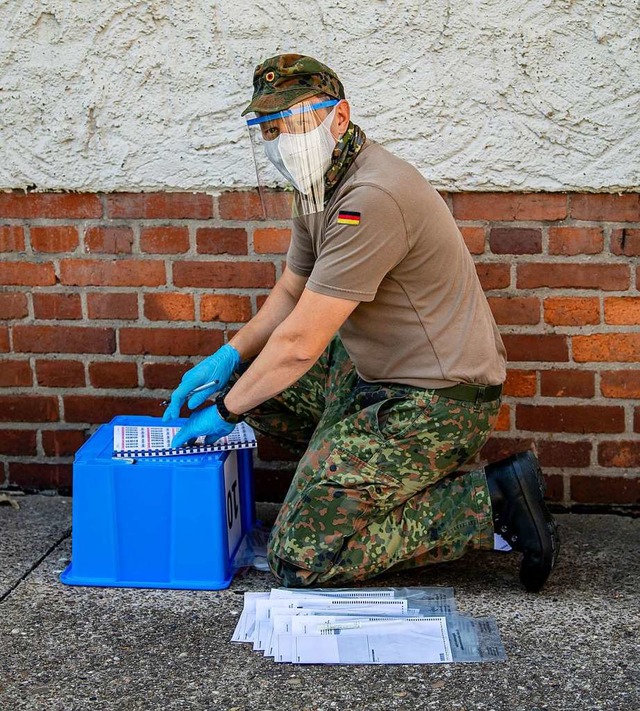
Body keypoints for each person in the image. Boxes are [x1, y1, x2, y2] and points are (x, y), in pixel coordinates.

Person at [163, 54, 558, 592]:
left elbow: (301, 343)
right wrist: (230, 357)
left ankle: (491, 503)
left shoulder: (370, 197)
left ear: (340, 117)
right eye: (272, 129)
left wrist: (229, 409)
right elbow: (292, 290)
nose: (284, 140)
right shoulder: (317, 185)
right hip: (371, 371)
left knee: (301, 559)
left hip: (435, 400)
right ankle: (356, 483)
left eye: (299, 122)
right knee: (251, 383)